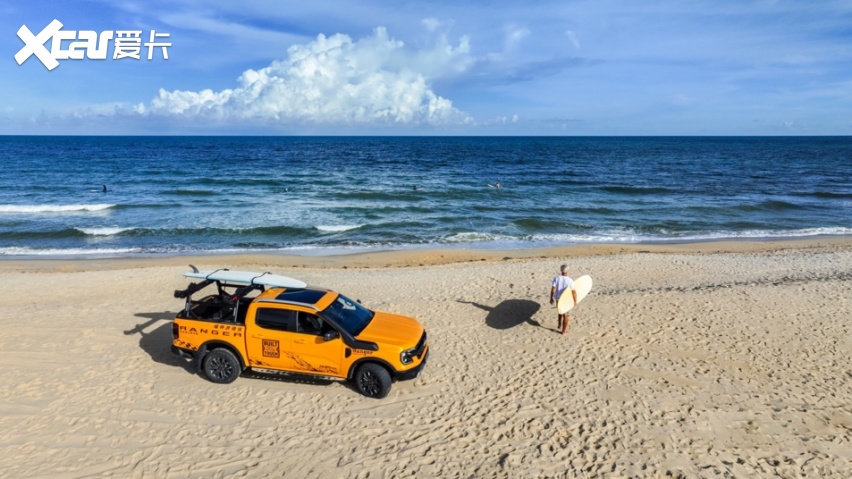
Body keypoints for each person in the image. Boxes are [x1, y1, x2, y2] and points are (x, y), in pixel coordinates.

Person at [549, 264, 577, 335]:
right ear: (567, 271)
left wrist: (551, 298)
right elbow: (573, 292)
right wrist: (575, 301)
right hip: (565, 300)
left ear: (561, 270)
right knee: (566, 316)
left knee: (560, 311)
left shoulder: (556, 278)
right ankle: (563, 331)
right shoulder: (570, 280)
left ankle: (559, 324)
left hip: (558, 298)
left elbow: (553, 289)